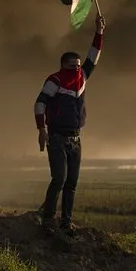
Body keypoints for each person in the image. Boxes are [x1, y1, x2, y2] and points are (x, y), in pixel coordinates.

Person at [33, 13, 106, 236]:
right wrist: (41, 130)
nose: (75, 68)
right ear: (62, 65)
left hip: (75, 139)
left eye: (77, 64)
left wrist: (99, 32)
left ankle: (66, 221)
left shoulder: (82, 77)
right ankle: (47, 219)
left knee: (71, 183)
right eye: (71, 65)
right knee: (59, 179)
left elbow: (93, 57)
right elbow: (39, 104)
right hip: (56, 138)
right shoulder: (54, 81)